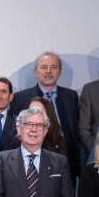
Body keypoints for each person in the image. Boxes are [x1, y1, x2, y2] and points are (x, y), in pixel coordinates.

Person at [12, 51, 81, 179]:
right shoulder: (20, 98)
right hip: (32, 165)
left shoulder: (71, 96)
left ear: (59, 72)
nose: (48, 71)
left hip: (67, 163)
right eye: (44, 67)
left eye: (53, 67)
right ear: (35, 72)